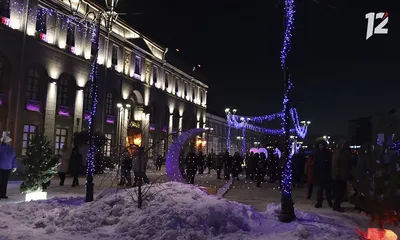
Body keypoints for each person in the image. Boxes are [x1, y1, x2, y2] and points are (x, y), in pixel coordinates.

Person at [332, 139, 352, 212]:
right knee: (339, 191)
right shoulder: (339, 153)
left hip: (344, 174)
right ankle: (336, 205)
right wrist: (337, 173)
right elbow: (335, 164)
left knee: (342, 191)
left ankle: (337, 204)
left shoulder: (346, 153)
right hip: (339, 175)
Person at [313, 139, 333, 208]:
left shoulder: (327, 154)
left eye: (321, 145)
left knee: (327, 190)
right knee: (320, 190)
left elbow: (330, 164)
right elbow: (315, 165)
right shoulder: (317, 154)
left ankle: (329, 201)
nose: (320, 146)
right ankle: (319, 202)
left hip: (326, 174)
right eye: (320, 145)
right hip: (320, 174)